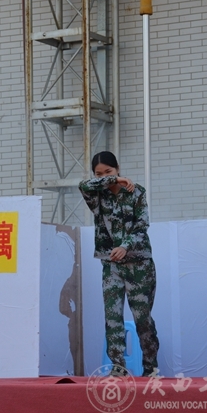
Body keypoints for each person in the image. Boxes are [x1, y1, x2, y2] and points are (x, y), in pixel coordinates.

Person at [78, 151, 159, 376]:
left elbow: (142, 226)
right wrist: (114, 179)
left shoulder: (136, 192)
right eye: (99, 174)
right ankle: (118, 368)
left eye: (109, 171)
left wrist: (125, 246)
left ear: (118, 167)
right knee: (112, 318)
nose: (104, 176)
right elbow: (83, 185)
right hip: (111, 265)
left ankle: (151, 368)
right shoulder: (97, 195)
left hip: (139, 264)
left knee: (142, 319)